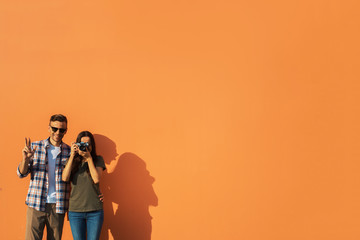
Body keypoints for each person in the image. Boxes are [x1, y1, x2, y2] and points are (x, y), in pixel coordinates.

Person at [17, 114, 71, 240]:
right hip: (36, 203)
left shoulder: (69, 151)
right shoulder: (36, 147)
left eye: (61, 130)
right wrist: (25, 160)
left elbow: (77, 178)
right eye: (54, 128)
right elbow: (21, 173)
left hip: (58, 206)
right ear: (49, 128)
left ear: (66, 131)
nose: (58, 132)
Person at [62, 131, 106, 240]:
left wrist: (89, 158)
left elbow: (96, 179)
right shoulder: (72, 161)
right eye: (82, 144)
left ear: (92, 146)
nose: (85, 147)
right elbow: (64, 178)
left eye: (88, 144)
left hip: (94, 210)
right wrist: (72, 155)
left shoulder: (98, 159)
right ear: (77, 145)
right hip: (75, 210)